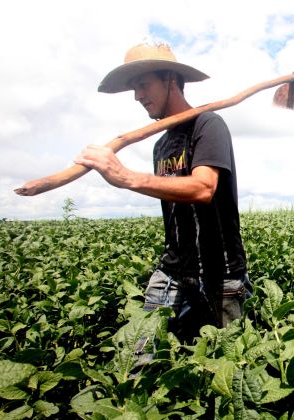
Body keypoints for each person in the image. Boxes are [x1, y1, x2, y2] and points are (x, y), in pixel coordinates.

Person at [73, 41, 251, 346]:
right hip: (173, 272)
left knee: (229, 364)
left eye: (143, 85)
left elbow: (203, 187)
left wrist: (125, 176)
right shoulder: (161, 145)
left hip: (220, 273)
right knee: (137, 357)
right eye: (134, 89)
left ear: (170, 80)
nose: (138, 96)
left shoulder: (208, 125)